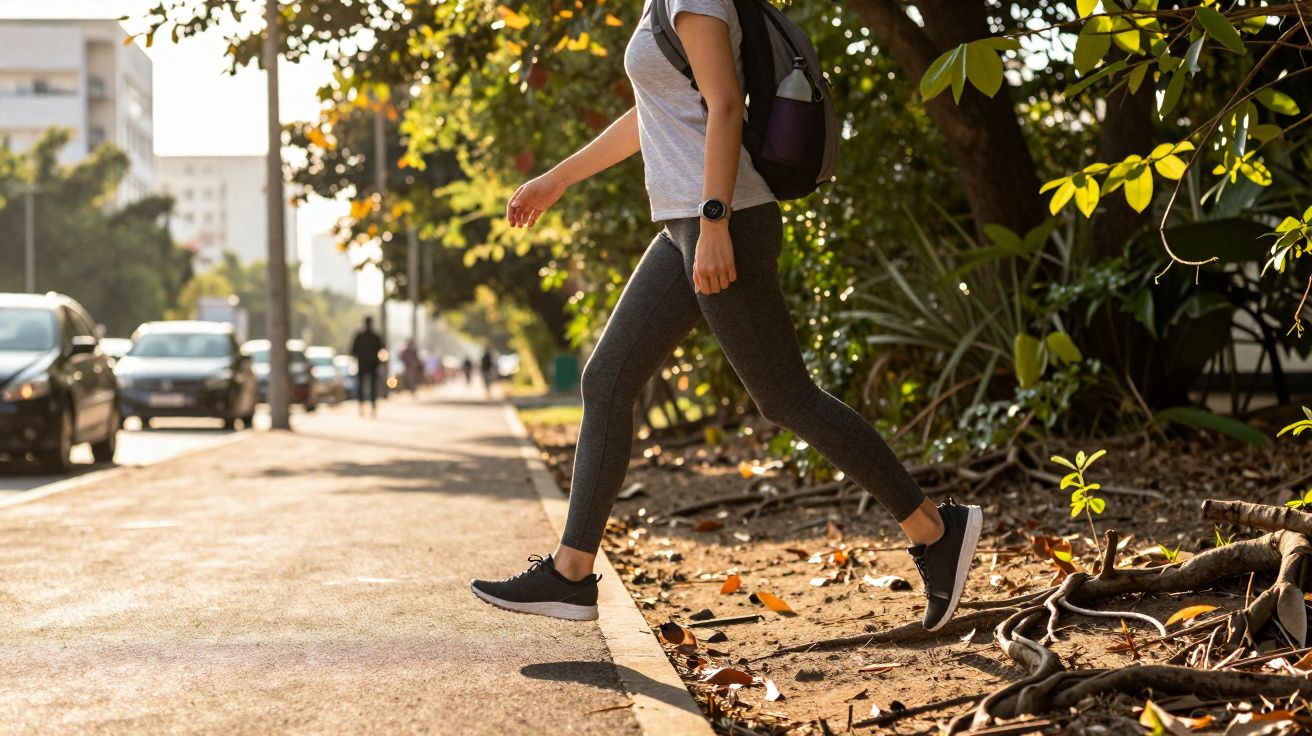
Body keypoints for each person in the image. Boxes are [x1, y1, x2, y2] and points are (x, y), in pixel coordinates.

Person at [472, 0, 983, 631]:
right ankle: (571, 574)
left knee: (787, 398)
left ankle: (935, 530)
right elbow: (654, 115)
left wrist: (715, 221)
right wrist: (557, 179)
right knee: (607, 380)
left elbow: (727, 104)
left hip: (723, 219)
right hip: (687, 225)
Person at [349, 316, 384, 416]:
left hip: (367, 365)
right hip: (370, 365)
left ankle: (365, 406)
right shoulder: (373, 336)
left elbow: (352, 351)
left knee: (363, 387)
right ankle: (368, 406)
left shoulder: (363, 336)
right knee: (367, 387)